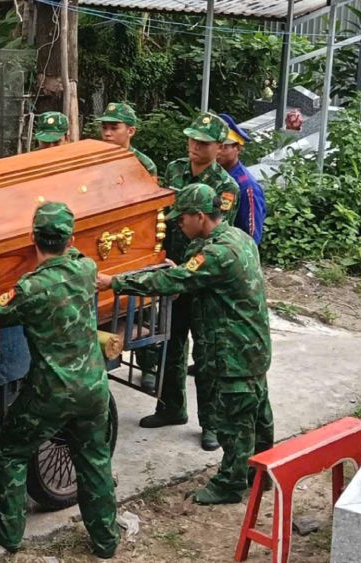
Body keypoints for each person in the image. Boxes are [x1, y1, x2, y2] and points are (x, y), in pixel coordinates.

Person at [97, 183, 274, 505]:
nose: (179, 224)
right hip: (253, 347)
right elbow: (195, 274)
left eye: (183, 218)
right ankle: (260, 474)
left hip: (232, 352)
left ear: (201, 217)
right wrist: (182, 271)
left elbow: (173, 282)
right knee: (258, 414)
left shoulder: (217, 252)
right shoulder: (236, 238)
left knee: (235, 421)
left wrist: (115, 282)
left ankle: (231, 483)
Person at [0, 202, 120, 559]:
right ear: (71, 239)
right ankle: (105, 541)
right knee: (94, 459)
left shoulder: (30, 288)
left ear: (31, 238)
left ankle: (9, 531)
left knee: (11, 450)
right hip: (93, 386)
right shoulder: (86, 268)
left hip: (51, 392)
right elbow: (79, 255)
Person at [150, 112, 241, 452]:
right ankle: (171, 407)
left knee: (206, 354)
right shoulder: (174, 169)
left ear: (219, 147)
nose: (194, 147)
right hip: (171, 270)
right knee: (170, 345)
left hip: (203, 278)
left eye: (202, 143)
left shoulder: (226, 187)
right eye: (191, 139)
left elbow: (211, 236)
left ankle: (211, 424)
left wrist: (184, 268)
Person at [217, 113, 267, 244]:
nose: (218, 151)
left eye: (224, 147)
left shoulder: (246, 186)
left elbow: (251, 236)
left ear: (238, 148)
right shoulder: (212, 175)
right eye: (216, 146)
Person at [96, 102, 158, 179]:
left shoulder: (143, 164)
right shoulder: (92, 160)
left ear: (130, 131)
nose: (107, 133)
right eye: (104, 128)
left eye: (114, 128)